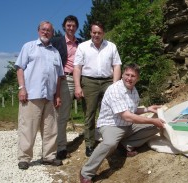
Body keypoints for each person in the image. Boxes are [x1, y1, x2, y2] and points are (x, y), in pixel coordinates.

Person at [79, 63, 166, 183]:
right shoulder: (115, 89)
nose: (129, 78)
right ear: (122, 75)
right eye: (127, 75)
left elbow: (132, 110)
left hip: (127, 125)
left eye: (133, 76)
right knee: (110, 143)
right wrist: (152, 119)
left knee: (156, 127)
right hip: (111, 125)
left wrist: (147, 109)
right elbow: (127, 116)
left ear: (137, 78)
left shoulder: (134, 90)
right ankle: (86, 172)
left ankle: (126, 145)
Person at [15, 21, 64, 170]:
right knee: (27, 127)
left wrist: (57, 95)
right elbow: (20, 68)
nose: (46, 32)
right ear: (38, 31)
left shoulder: (55, 53)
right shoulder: (28, 47)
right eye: (43, 29)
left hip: (49, 96)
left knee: (51, 129)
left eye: (49, 30)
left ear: (52, 33)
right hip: (31, 95)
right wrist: (22, 88)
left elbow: (58, 76)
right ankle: (24, 158)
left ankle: (48, 157)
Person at [73, 21, 122, 157]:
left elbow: (117, 65)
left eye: (99, 33)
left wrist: (115, 85)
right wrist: (77, 86)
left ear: (103, 33)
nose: (96, 35)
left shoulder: (111, 46)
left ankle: (111, 142)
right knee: (89, 114)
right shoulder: (83, 47)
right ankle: (89, 144)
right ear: (90, 33)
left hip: (108, 81)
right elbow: (77, 67)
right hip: (88, 82)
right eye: (94, 32)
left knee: (112, 112)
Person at [51, 15, 82, 160]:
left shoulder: (81, 44)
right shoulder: (56, 41)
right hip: (63, 79)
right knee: (61, 115)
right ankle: (60, 148)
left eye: (73, 25)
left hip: (79, 79)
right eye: (68, 25)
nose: (71, 28)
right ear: (64, 26)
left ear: (77, 27)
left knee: (66, 114)